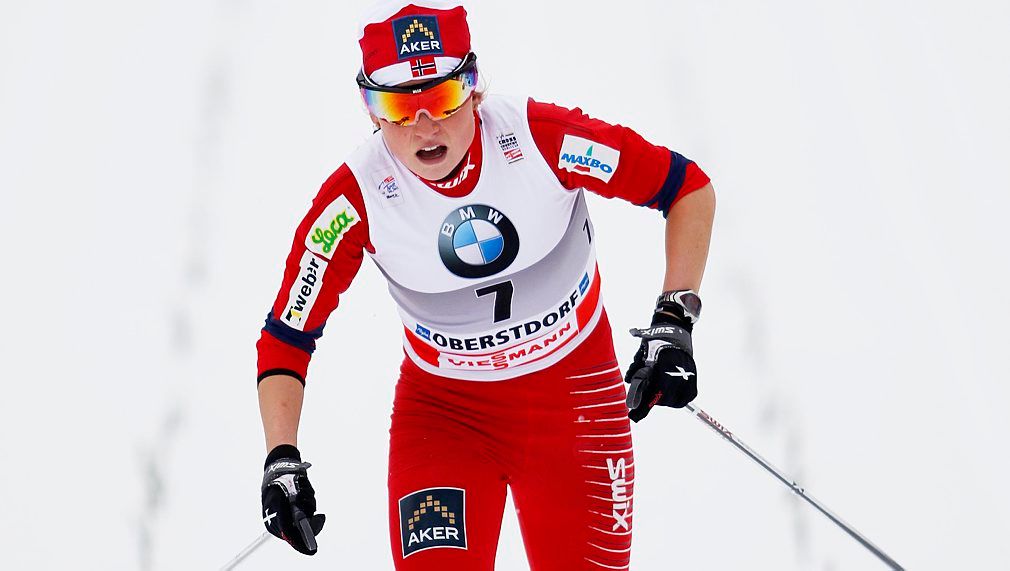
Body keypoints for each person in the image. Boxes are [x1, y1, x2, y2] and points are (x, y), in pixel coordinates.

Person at [256, 1, 715, 568]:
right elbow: (287, 336)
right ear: (369, 110)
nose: (424, 125)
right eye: (398, 106)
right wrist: (281, 457)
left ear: (473, 88)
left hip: (576, 403)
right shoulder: (353, 201)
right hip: (446, 420)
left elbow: (686, 188)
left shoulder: (544, 140)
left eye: (443, 97)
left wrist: (674, 320)